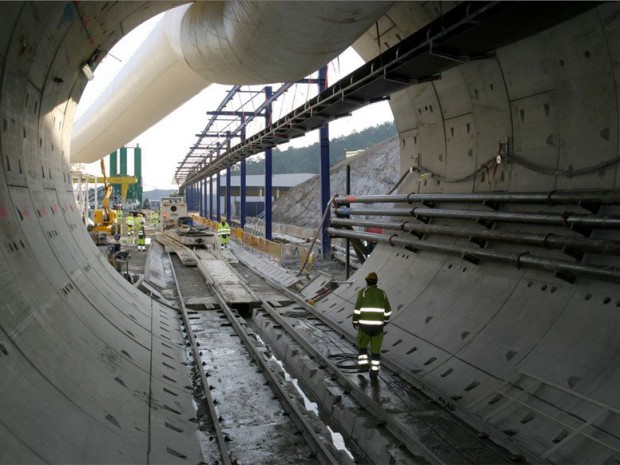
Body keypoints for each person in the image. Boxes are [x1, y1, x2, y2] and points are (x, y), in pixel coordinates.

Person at [352, 271, 391, 380]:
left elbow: (357, 309)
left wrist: (355, 322)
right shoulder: (382, 293)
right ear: (376, 282)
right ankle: (374, 373)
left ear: (366, 281)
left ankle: (363, 366)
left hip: (364, 328)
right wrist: (385, 321)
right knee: (376, 352)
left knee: (362, 347)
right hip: (378, 328)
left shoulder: (363, 293)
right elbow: (388, 310)